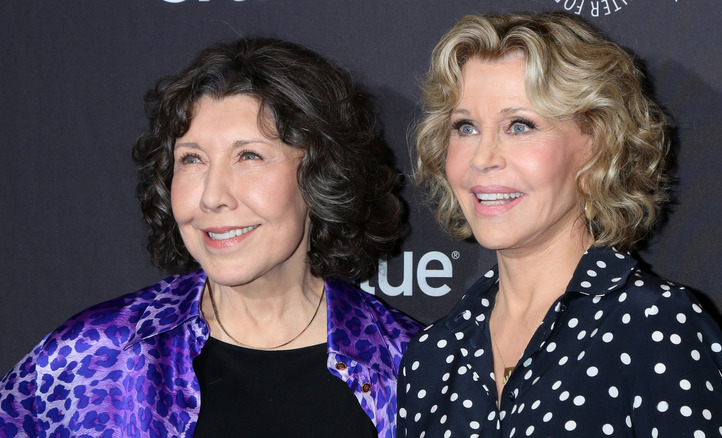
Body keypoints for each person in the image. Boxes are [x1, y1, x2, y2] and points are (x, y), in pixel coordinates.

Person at [0, 38, 421, 438]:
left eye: (249, 156)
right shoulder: (94, 357)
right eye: (192, 159)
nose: (213, 196)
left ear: (322, 175)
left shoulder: (410, 367)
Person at [398, 11, 722, 438]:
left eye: (519, 125)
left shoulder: (652, 325)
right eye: (465, 127)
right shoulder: (432, 354)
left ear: (597, 147)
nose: (483, 157)